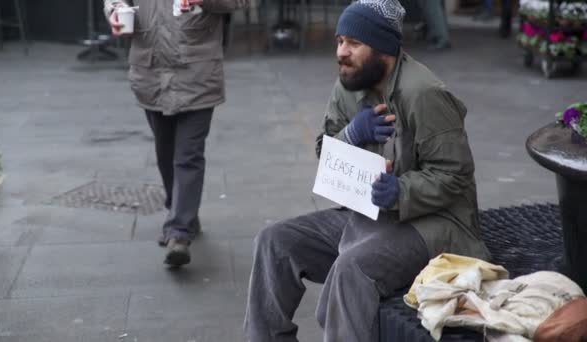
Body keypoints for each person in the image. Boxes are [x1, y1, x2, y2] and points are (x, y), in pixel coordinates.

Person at [244, 0, 490, 341]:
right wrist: (351, 134)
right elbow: (325, 148)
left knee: (351, 269)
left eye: (353, 44)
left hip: (436, 224)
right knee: (274, 242)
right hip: (368, 213)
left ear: (383, 49)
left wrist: (401, 191)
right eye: (339, 41)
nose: (341, 52)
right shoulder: (350, 81)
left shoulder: (424, 94)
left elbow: (455, 175)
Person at [104, 0, 249, 267]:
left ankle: (179, 232)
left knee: (188, 155)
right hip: (150, 73)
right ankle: (183, 210)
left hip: (198, 72)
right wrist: (115, 10)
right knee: (165, 151)